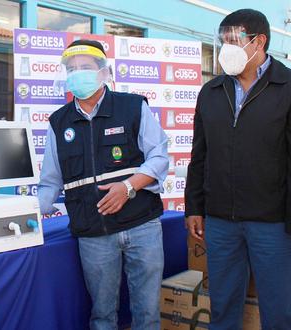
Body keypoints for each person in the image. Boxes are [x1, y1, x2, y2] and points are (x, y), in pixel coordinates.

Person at [184, 9, 291, 329]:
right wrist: (194, 206)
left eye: (233, 40)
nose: (225, 48)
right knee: (222, 309)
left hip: (273, 225)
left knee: (278, 314)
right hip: (221, 222)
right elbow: (200, 154)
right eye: (222, 41)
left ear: (258, 42)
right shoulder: (212, 91)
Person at [38, 39, 168, 330]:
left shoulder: (132, 106)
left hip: (141, 225)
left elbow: (159, 158)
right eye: (71, 69)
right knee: (102, 316)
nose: (77, 73)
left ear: (102, 72)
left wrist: (129, 187)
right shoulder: (59, 122)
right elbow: (50, 182)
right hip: (94, 234)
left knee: (147, 314)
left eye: (84, 67)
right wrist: (27, 216)